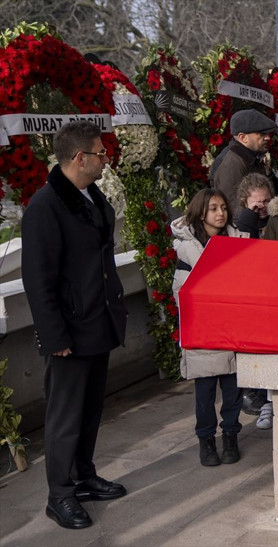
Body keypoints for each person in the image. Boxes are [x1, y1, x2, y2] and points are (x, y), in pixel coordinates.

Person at [22, 121, 127, 530]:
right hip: (68, 331)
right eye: (101, 153)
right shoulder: (45, 207)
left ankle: (83, 475)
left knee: (90, 410)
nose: (106, 158)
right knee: (65, 417)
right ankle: (59, 494)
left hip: (97, 322)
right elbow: (38, 279)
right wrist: (54, 337)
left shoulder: (90, 194)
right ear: (80, 158)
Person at [172, 188, 248, 465]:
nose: (220, 213)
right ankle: (206, 440)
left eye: (223, 208)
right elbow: (181, 292)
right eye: (213, 208)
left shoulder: (238, 240)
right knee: (204, 397)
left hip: (232, 331)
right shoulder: (188, 248)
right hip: (204, 332)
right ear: (201, 212)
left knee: (232, 394)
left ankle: (230, 435)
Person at [212, 109, 276, 215]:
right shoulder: (232, 164)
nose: (268, 137)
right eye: (261, 133)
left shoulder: (251, 156)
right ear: (243, 137)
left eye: (268, 133)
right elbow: (234, 209)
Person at [234, 173, 274, 238]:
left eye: (266, 201)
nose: (262, 206)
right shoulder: (237, 225)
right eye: (257, 203)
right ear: (245, 202)